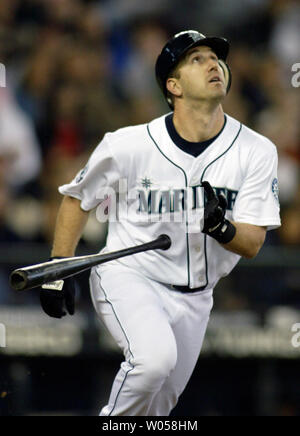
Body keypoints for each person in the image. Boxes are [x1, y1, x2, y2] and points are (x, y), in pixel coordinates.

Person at [39, 30, 281, 416]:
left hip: (197, 296)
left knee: (157, 409)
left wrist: (222, 228)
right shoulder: (129, 143)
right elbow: (76, 197)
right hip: (130, 274)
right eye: (196, 59)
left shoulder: (255, 150)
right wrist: (57, 268)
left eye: (215, 58)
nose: (212, 64)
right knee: (152, 362)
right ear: (174, 85)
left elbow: (251, 243)